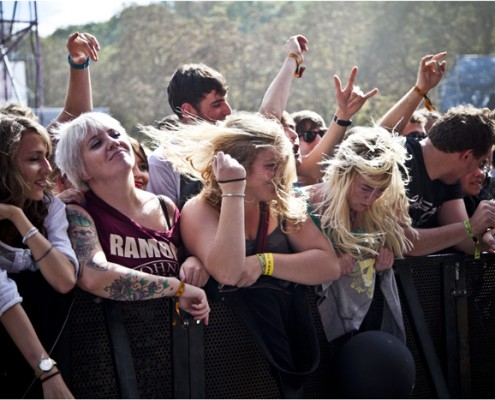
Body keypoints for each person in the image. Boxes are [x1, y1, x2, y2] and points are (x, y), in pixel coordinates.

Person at [143, 111, 341, 398]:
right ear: (238, 164)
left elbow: (329, 265)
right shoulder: (200, 208)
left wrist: (264, 262)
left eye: (282, 164)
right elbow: (228, 271)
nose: (281, 174)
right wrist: (233, 191)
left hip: (280, 348)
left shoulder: (282, 203)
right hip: (225, 355)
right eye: (271, 165)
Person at [53, 111, 210, 314]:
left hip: (177, 340)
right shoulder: (80, 214)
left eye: (115, 134)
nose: (112, 142)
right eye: (96, 144)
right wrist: (177, 288)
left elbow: (194, 256)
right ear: (82, 171)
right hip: (112, 342)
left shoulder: (166, 207)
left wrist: (196, 261)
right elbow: (94, 276)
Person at [302, 125, 416, 397]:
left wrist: (386, 250)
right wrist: (327, 262)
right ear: (343, 173)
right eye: (366, 188)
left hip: (365, 327)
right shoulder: (306, 203)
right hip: (312, 325)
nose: (372, 198)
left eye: (380, 191)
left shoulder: (378, 208)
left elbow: (405, 240)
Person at [379, 53, 495, 256]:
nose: (483, 173)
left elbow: (469, 245)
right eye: (481, 162)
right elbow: (405, 241)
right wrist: (419, 90)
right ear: (466, 156)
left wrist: (486, 241)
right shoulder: (399, 159)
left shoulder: (449, 180)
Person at [0, 115, 78, 398]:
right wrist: (48, 371)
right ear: (4, 165)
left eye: (47, 157)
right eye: (34, 159)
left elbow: (64, 279)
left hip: (49, 356)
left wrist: (17, 217)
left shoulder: (50, 207)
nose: (47, 169)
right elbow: (2, 294)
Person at [259, 35, 378, 185]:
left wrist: (343, 115)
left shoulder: (322, 186)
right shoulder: (269, 177)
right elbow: (268, 118)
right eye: (309, 135)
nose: (293, 134)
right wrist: (293, 58)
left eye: (322, 133)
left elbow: (317, 169)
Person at [147, 63, 232, 207]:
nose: (228, 111)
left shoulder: (232, 146)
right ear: (187, 111)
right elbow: (165, 225)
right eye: (217, 104)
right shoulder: (162, 162)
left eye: (225, 101)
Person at [291, 109, 328, 185]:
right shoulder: (278, 191)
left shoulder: (336, 191)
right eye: (310, 135)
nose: (320, 140)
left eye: (322, 134)